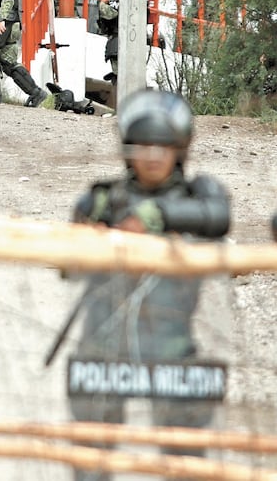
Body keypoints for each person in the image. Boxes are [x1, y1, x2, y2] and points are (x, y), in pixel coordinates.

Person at [66, 89, 230, 481]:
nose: (153, 156)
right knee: (91, 458)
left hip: (173, 348)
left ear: (180, 149)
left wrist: (152, 217)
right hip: (103, 345)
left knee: (185, 459)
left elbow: (218, 216)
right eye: (143, 145)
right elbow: (68, 265)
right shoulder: (102, 200)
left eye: (164, 146)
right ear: (127, 148)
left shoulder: (200, 196)